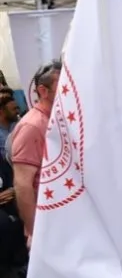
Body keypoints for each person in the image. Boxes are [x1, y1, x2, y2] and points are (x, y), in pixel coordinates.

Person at [11, 60, 60, 249]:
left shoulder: (57, 120)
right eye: (62, 87)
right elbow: (22, 185)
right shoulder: (32, 126)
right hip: (46, 224)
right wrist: (34, 231)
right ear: (42, 91)